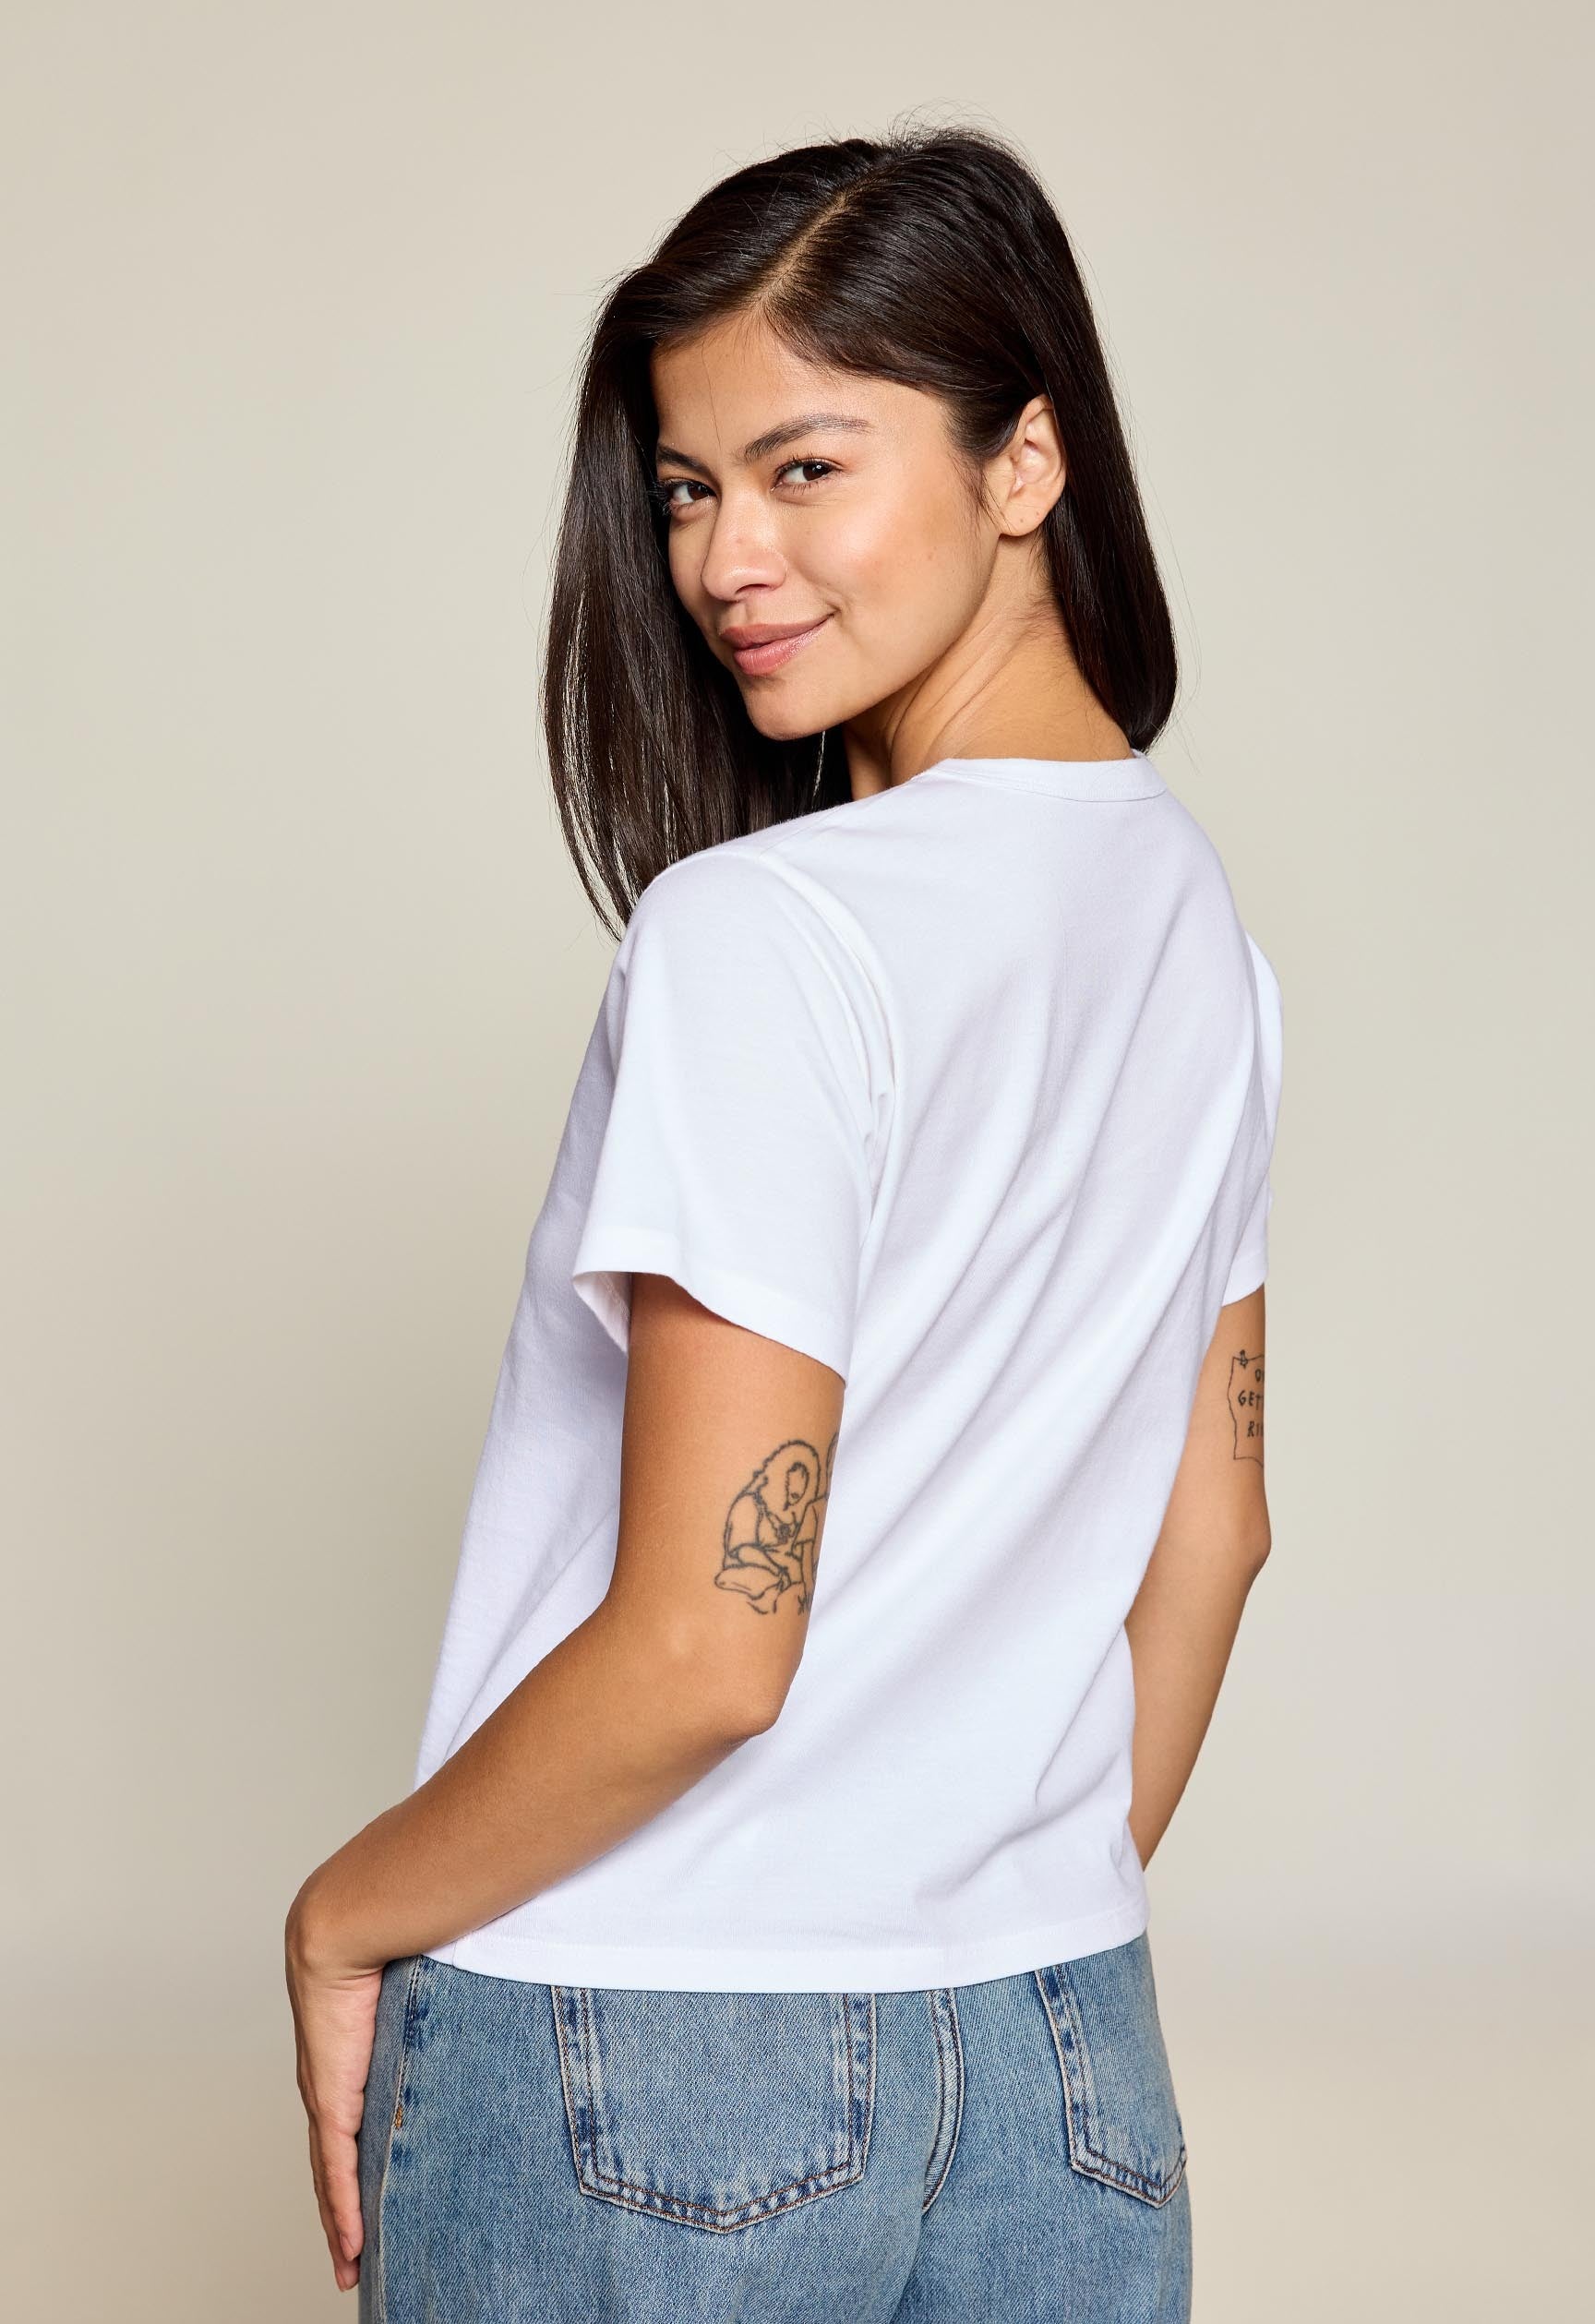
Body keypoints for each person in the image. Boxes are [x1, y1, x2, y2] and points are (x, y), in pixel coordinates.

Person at [285, 119, 1283, 2324]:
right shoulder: (1199, 930)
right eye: (684, 487)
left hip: (653, 2044)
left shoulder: (767, 931)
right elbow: (1216, 1533)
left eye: (805, 468)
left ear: (1027, 461)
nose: (726, 556)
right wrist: (986, 1893)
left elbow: (708, 1643)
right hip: (1061, 2045)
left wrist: (341, 1914)